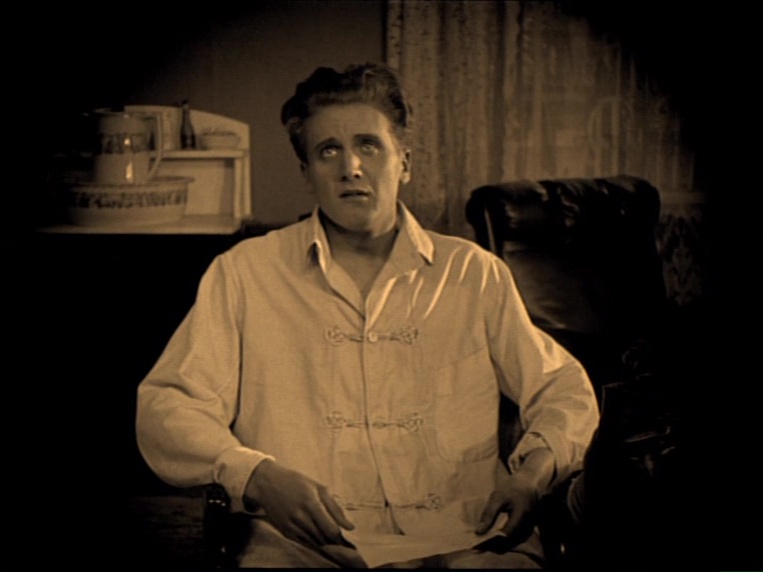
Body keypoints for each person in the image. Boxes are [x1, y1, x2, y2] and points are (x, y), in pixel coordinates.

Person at [136, 62, 599, 568]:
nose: (350, 167)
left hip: (469, 537)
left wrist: (532, 475)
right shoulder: (244, 273)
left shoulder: (473, 273)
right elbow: (168, 409)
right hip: (303, 546)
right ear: (307, 174)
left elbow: (564, 390)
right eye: (327, 151)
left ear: (405, 162)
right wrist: (257, 476)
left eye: (369, 145)